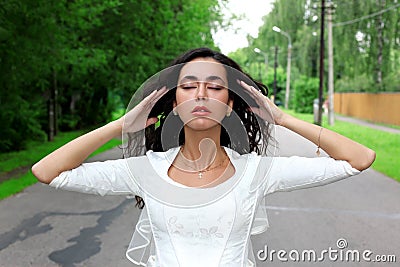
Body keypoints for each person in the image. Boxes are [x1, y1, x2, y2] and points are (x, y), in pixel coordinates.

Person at [32, 47, 375, 267]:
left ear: (228, 104)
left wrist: (283, 120)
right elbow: (48, 171)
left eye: (214, 86)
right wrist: (121, 125)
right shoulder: (147, 170)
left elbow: (359, 159)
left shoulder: (256, 171)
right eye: (188, 85)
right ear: (174, 102)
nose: (200, 93)